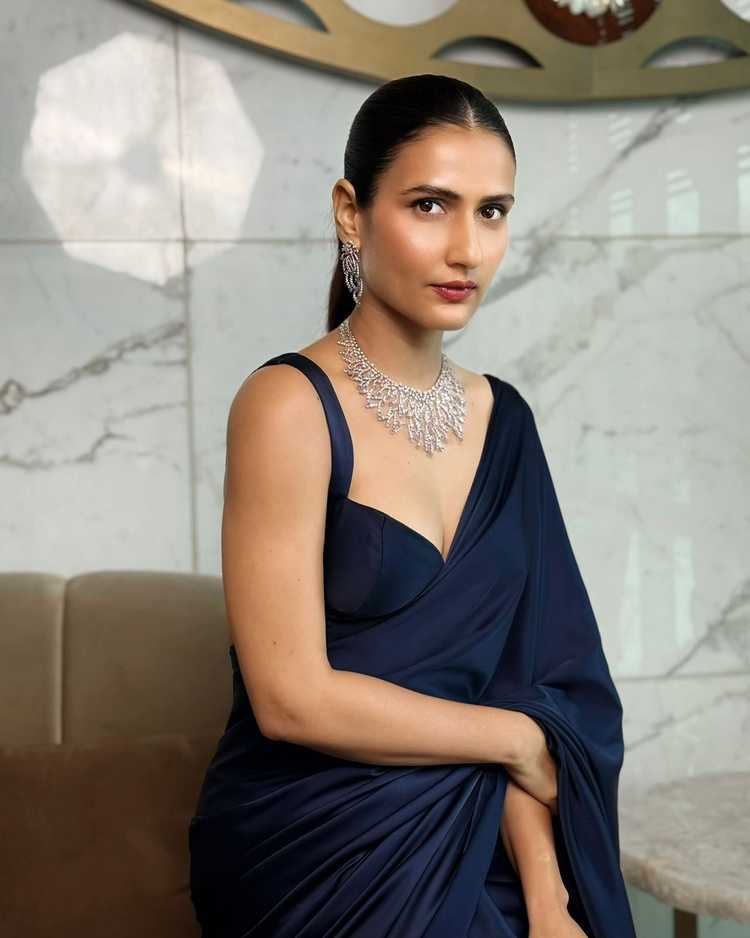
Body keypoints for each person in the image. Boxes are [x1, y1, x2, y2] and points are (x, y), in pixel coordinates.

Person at [188, 73, 636, 938]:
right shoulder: (287, 407)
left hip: (487, 830)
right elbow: (290, 698)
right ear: (351, 213)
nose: (467, 248)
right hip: (315, 843)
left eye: (492, 212)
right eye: (431, 206)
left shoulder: (504, 422)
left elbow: (527, 686)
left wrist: (548, 897)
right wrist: (512, 740)